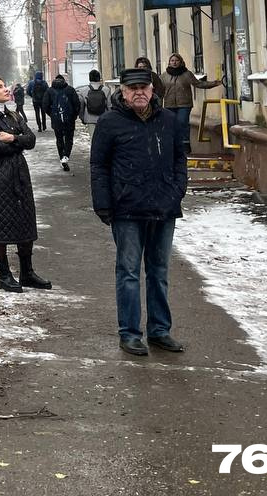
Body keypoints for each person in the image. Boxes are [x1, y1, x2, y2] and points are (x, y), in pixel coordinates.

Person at [90, 68, 188, 357]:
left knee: (159, 271)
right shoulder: (110, 123)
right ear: (122, 91)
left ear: (152, 90)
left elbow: (180, 158)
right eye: (132, 88)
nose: (139, 92)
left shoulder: (168, 120)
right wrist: (104, 203)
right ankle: (130, 333)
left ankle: (159, 330)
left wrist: (177, 189)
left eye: (144, 87)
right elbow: (99, 166)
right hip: (127, 209)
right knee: (129, 272)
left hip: (163, 206)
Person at [0, 77, 50, 293]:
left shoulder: (13, 114)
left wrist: (13, 138)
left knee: (25, 221)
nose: (6, 88)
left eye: (4, 85)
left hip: (19, 175)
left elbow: (31, 140)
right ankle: (4, 275)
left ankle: (27, 272)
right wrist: (17, 143)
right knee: (0, 223)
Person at [158, 53, 223, 154]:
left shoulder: (186, 74)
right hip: (169, 104)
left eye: (176, 60)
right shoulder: (164, 76)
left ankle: (185, 144)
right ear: (169, 62)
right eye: (172, 61)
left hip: (184, 104)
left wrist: (214, 83)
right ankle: (174, 145)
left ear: (181, 62)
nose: (174, 62)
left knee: (182, 122)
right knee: (171, 125)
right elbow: (160, 91)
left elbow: (199, 84)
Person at [44, 74, 81, 172]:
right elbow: (77, 104)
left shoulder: (50, 91)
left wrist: (52, 114)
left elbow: (45, 105)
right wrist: (74, 116)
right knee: (69, 139)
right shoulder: (70, 90)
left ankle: (61, 157)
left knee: (59, 139)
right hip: (69, 119)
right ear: (64, 80)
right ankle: (65, 157)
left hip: (56, 120)